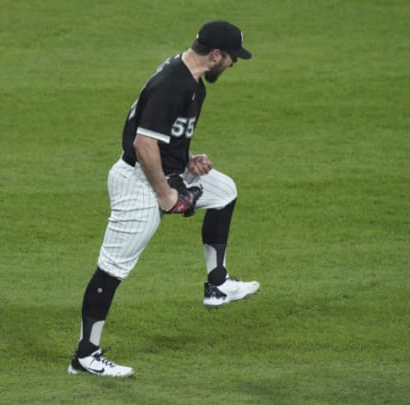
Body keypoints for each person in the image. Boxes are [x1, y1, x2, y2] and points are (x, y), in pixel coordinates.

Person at [68, 20, 259, 378]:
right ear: (215, 55)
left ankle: (217, 284)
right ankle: (85, 355)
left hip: (163, 169)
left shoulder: (191, 79)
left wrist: (187, 160)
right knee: (112, 269)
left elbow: (162, 134)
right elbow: (143, 143)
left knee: (224, 191)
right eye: (232, 58)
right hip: (139, 180)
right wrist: (166, 195)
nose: (233, 65)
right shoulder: (173, 82)